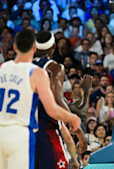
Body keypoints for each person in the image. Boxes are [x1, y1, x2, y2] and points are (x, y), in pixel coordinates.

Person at [0, 29, 80, 169]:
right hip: (21, 132)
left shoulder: (2, 68)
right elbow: (52, 109)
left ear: (14, 47)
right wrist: (72, 118)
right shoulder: (37, 73)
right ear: (34, 48)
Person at [34, 31, 91, 169]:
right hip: (45, 129)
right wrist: (79, 132)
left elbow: (76, 110)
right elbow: (59, 101)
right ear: (54, 45)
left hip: (24, 129)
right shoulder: (55, 68)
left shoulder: (25, 66)